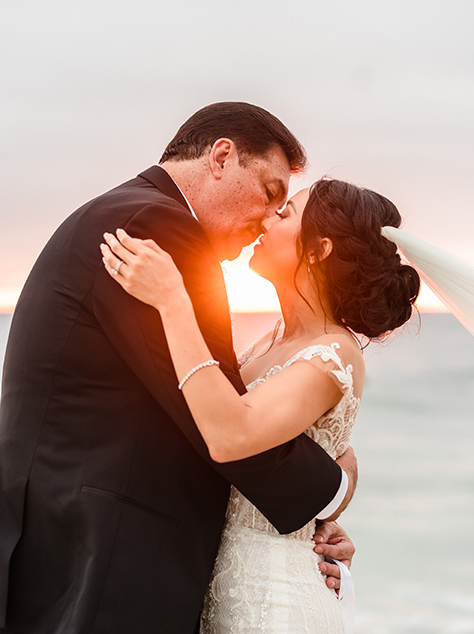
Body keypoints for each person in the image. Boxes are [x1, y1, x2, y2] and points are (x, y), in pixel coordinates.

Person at [0, 103, 356, 634]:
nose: (267, 221)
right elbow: (226, 427)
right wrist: (335, 487)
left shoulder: (126, 210)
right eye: (269, 191)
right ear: (221, 157)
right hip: (103, 557)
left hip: (68, 541)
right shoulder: (162, 229)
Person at [100, 178, 421, 633]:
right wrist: (339, 488)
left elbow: (232, 433)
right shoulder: (273, 340)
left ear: (318, 249)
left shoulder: (334, 351)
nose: (268, 218)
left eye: (286, 212)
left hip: (274, 602)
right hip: (223, 586)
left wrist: (174, 301)